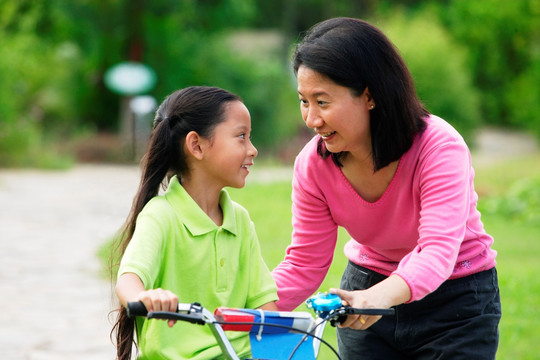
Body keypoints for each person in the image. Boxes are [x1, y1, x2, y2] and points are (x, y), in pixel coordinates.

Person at [271, 17, 501, 359]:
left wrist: (376, 298)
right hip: (366, 290)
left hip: (458, 300)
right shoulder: (313, 164)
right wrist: (241, 308)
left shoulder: (438, 147)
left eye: (322, 102)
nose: (311, 119)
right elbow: (304, 264)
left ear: (369, 96)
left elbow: (437, 252)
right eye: (304, 101)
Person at [111, 86, 278, 360]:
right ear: (197, 145)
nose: (253, 149)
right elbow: (129, 280)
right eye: (241, 137)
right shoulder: (161, 216)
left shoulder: (241, 221)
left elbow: (265, 306)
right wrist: (144, 298)